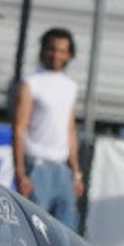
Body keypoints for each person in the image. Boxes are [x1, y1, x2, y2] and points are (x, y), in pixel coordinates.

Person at [12, 27, 84, 231]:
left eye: (61, 50)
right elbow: (19, 128)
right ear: (43, 50)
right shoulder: (31, 83)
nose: (56, 55)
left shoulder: (70, 86)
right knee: (34, 230)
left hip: (62, 168)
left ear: (69, 55)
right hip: (37, 165)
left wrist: (76, 172)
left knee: (67, 232)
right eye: (52, 49)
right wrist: (20, 172)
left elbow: (70, 130)